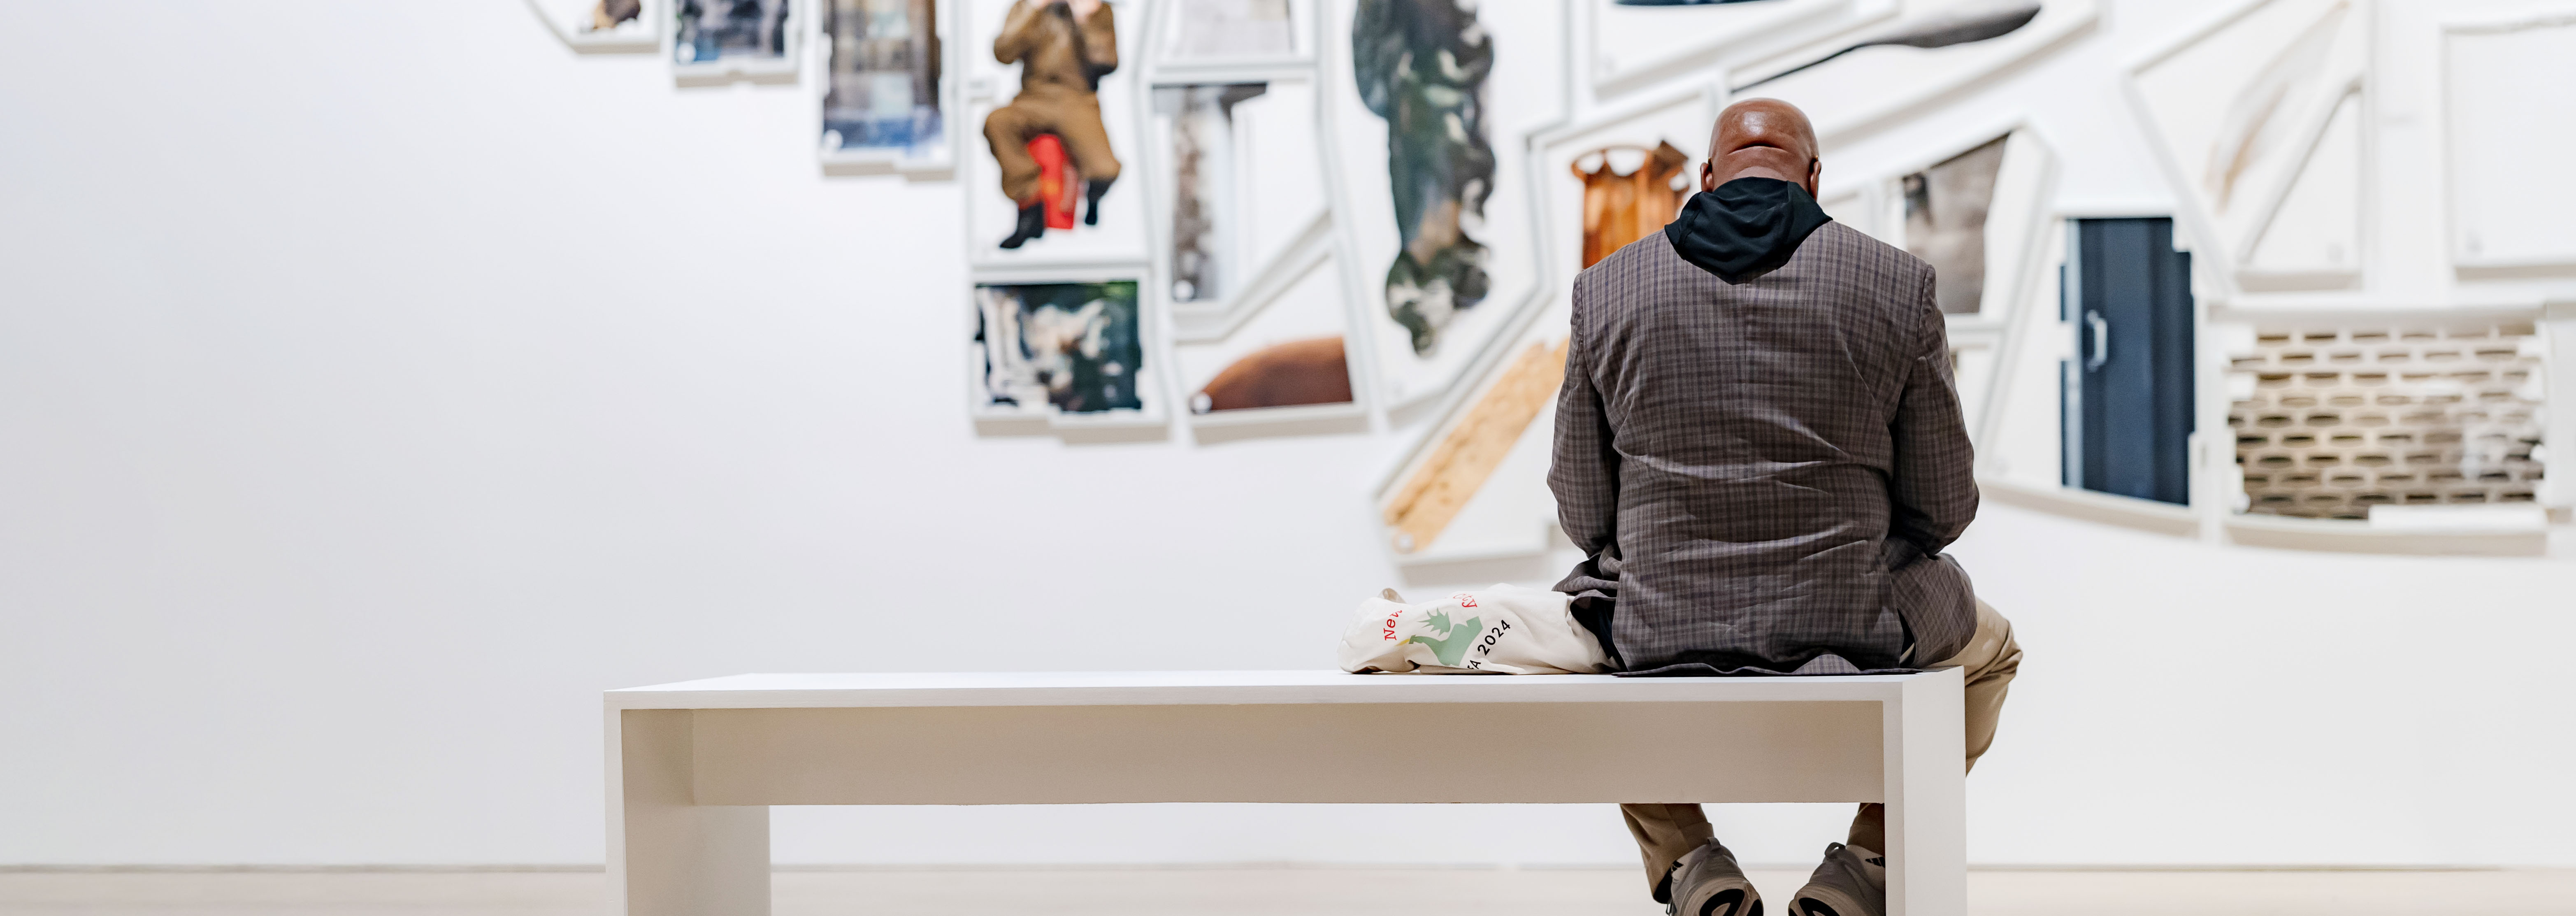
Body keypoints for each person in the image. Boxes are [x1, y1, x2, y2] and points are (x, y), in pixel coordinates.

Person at [1547, 98, 2024, 916]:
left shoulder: (1605, 291)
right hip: (1852, 623)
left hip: (1663, 629)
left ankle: (1691, 864)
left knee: (1589, 639)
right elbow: (1943, 506)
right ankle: (1865, 868)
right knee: (1995, 649)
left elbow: (1584, 510)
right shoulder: (1896, 283)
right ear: (1812, 177)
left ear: (1703, 179)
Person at [985, 0, 1120, 249]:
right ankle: (1030, 204)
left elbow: (1107, 62)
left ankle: (1093, 198)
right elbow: (1003, 53)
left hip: (1077, 99)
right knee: (998, 122)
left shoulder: (1098, 10)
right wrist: (1032, 10)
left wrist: (1085, 19)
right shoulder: (1028, 7)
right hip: (1034, 96)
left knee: (1105, 170)